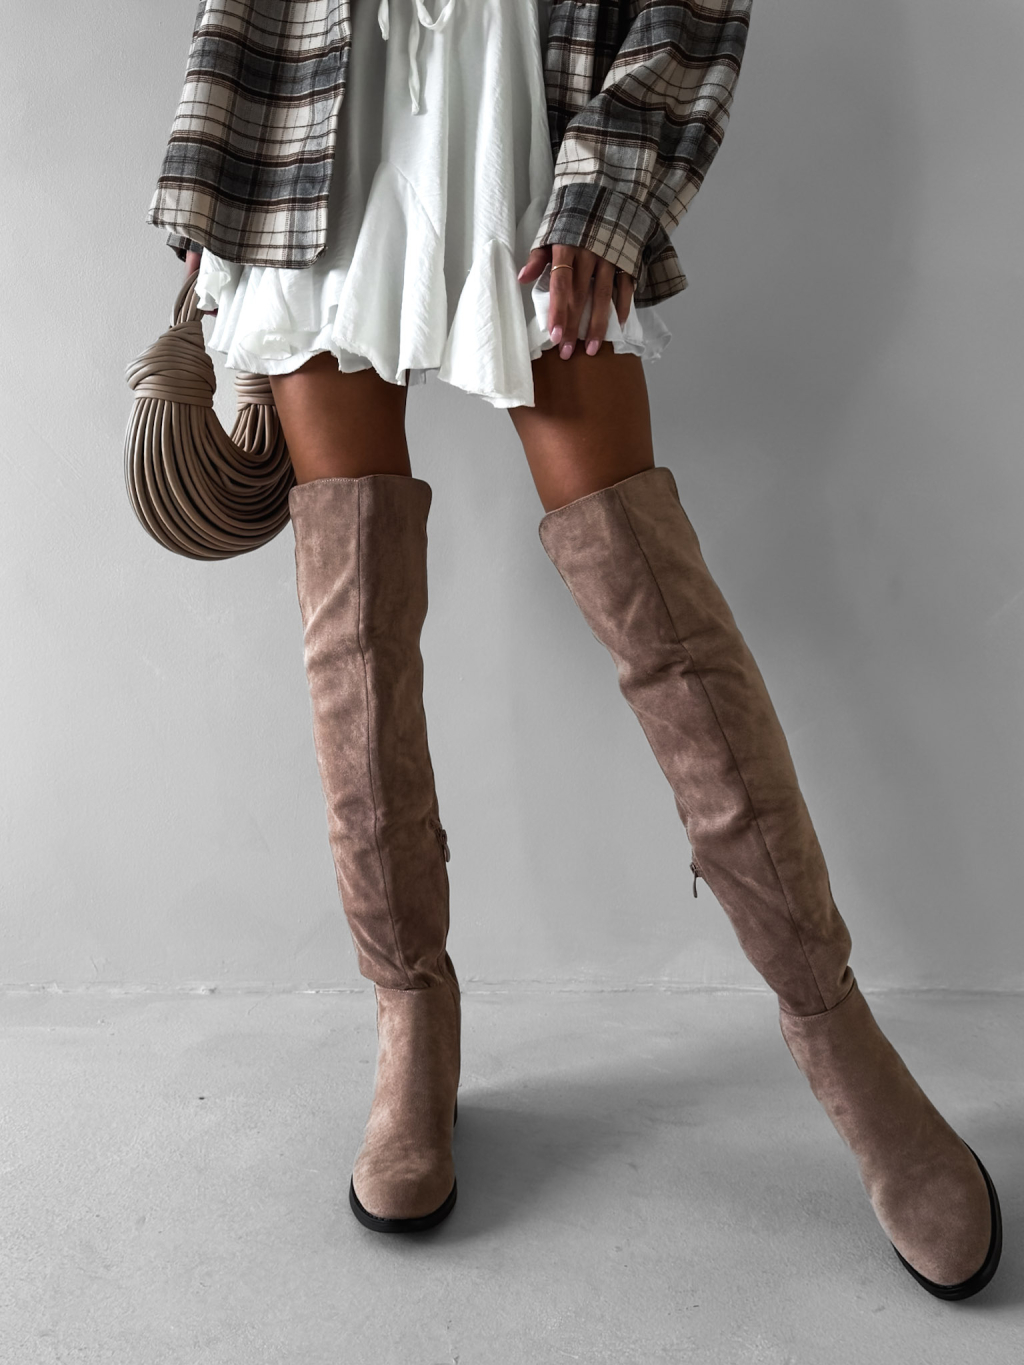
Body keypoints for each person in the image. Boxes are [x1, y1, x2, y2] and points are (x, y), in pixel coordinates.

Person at [147, 0, 1001, 1296]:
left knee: (658, 614)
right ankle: (411, 1014)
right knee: (353, 639)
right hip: (319, 117)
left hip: (527, 106)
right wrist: (207, 187)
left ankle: (840, 1036)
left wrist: (612, 184)